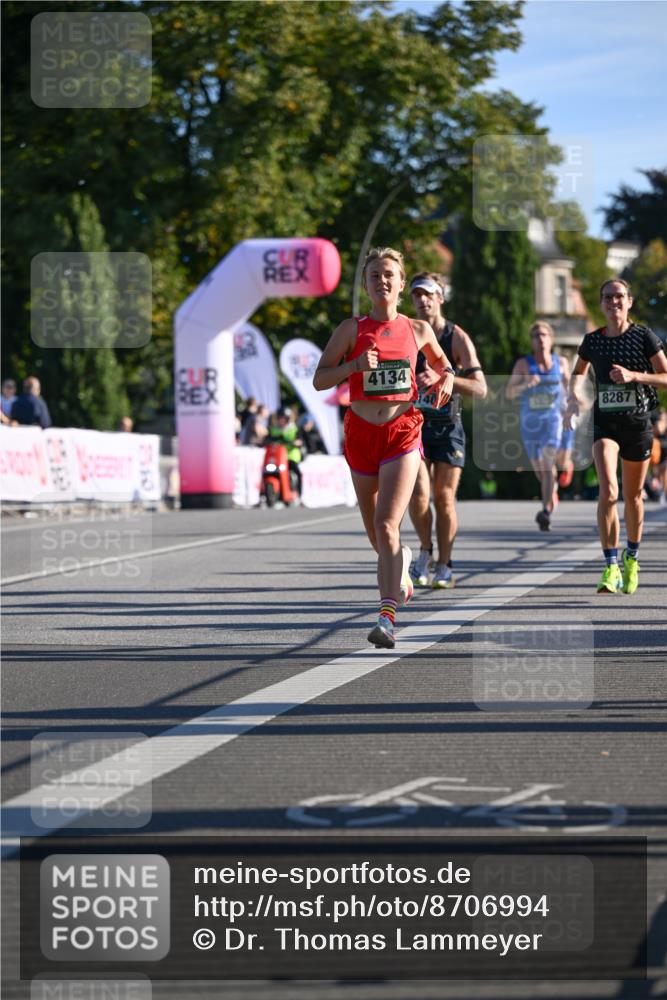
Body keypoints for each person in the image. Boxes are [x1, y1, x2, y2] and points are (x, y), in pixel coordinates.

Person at [313, 247, 455, 649]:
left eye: (389, 274)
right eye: (374, 275)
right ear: (366, 284)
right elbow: (320, 379)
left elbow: (446, 368)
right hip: (360, 433)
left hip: (402, 431)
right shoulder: (350, 329)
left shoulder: (418, 330)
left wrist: (444, 381)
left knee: (388, 525)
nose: (382, 281)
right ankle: (402, 568)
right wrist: (354, 367)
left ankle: (387, 618)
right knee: (378, 535)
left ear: (401, 283)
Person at [565, 279, 667, 594]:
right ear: (601, 304)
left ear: (629, 301)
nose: (613, 302)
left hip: (638, 423)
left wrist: (635, 375)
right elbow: (578, 371)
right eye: (607, 297)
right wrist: (573, 398)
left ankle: (631, 557)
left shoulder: (644, 337)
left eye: (619, 296)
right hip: (605, 423)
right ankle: (610, 566)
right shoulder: (592, 341)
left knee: (633, 497)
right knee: (608, 491)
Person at [407, 272, 487, 588]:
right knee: (418, 496)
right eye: (416, 295)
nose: (423, 300)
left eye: (429, 294)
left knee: (443, 498)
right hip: (414, 426)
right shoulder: (407, 333)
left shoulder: (456, 337)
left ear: (440, 298)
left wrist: (447, 380)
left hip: (448, 427)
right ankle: (425, 551)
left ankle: (445, 564)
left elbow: (480, 388)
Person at [506, 322, 570, 532]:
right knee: (541, 471)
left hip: (553, 421)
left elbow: (570, 390)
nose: (540, 339)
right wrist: (526, 384)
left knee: (547, 463)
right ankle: (551, 491)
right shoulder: (523, 365)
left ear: (551, 339)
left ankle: (545, 512)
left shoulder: (561, 363)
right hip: (531, 424)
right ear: (532, 342)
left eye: (544, 335)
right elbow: (509, 393)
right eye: (536, 336)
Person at [268, 406, 304, 497]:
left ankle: (299, 493)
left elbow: (300, 440)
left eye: (283, 418)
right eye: (280, 418)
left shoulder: (294, 428)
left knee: (297, 473)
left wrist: (295, 442)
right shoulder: (274, 429)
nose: (281, 420)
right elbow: (268, 438)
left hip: (290, 456)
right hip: (277, 457)